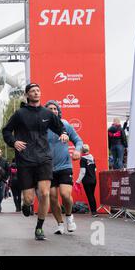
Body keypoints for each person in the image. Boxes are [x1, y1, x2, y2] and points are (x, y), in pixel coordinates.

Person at [2, 83, 69, 241]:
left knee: (45, 193)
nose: (36, 93)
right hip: (25, 159)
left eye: (38, 90)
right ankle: (26, 205)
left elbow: (60, 127)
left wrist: (64, 134)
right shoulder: (20, 114)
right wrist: (14, 142)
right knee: (29, 199)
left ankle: (39, 227)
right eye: (32, 91)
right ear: (27, 95)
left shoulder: (47, 113)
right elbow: (6, 131)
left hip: (44, 157)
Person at [45, 100, 83, 235]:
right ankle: (60, 224)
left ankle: (69, 217)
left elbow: (78, 140)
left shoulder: (65, 124)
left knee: (65, 194)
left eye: (55, 108)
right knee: (53, 197)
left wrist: (78, 150)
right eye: (50, 109)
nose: (53, 111)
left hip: (64, 166)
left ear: (58, 111)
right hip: (48, 168)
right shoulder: (42, 128)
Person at [75, 144, 98, 217]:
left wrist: (77, 181)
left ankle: (94, 212)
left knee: (90, 196)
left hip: (87, 180)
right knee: (92, 195)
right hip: (93, 179)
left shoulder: (83, 159)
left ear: (81, 150)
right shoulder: (92, 157)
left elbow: (83, 172)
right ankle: (94, 211)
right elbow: (95, 169)